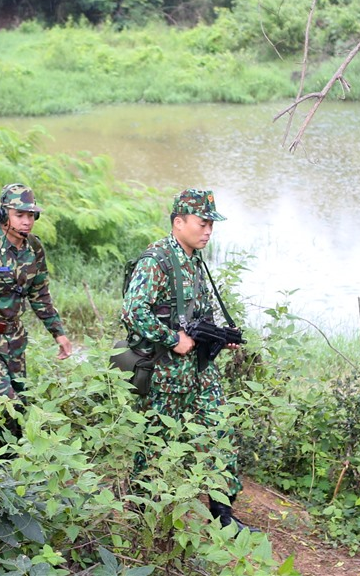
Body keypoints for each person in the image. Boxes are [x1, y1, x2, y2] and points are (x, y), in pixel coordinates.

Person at [120, 189, 256, 532]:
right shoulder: (157, 259)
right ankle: (143, 514)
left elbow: (201, 313)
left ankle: (223, 515)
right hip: (165, 370)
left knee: (219, 430)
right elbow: (133, 311)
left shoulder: (195, 260)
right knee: (157, 441)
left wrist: (217, 339)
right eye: (202, 222)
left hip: (198, 369)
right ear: (179, 222)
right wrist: (172, 339)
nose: (208, 230)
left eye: (211, 224)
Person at [0, 183, 73, 451]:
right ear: (3, 213)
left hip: (15, 340)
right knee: (2, 407)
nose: (27, 221)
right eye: (20, 214)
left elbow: (40, 294)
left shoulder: (34, 249)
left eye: (31, 215)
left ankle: (12, 468)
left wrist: (59, 332)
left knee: (20, 407)